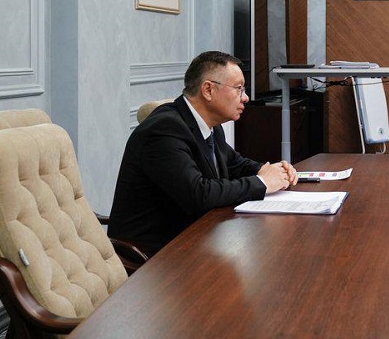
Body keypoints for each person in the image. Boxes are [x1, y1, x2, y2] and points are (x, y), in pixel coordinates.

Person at [109, 51, 298, 255]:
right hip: (155, 255)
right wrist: (263, 182)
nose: (245, 97)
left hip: (195, 238)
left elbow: (235, 163)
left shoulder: (210, 125)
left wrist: (272, 171)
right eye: (239, 88)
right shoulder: (164, 129)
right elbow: (198, 194)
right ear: (208, 90)